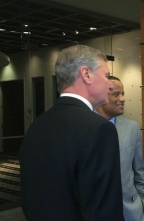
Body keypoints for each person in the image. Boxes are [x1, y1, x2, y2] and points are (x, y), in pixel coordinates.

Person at [20, 45, 124, 221]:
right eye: (106, 76)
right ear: (86, 74)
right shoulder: (99, 129)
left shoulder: (36, 126)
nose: (109, 84)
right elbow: (103, 209)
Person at [96, 75, 144, 221]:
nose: (122, 99)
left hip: (130, 212)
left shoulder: (132, 128)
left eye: (123, 94)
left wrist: (143, 205)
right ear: (101, 96)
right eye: (116, 94)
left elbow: (139, 171)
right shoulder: (85, 128)